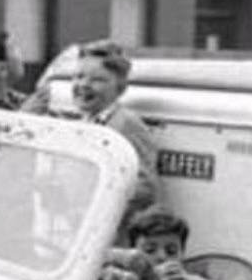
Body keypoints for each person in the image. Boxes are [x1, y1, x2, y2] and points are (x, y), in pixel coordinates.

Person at [28, 41, 158, 218]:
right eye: (79, 76)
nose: (83, 85)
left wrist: (94, 212)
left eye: (97, 79)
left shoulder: (127, 124)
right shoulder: (84, 122)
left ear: (120, 88)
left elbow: (144, 188)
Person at [96, 205, 250, 280]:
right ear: (133, 251)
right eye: (150, 250)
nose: (161, 256)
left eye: (171, 251)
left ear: (182, 255)